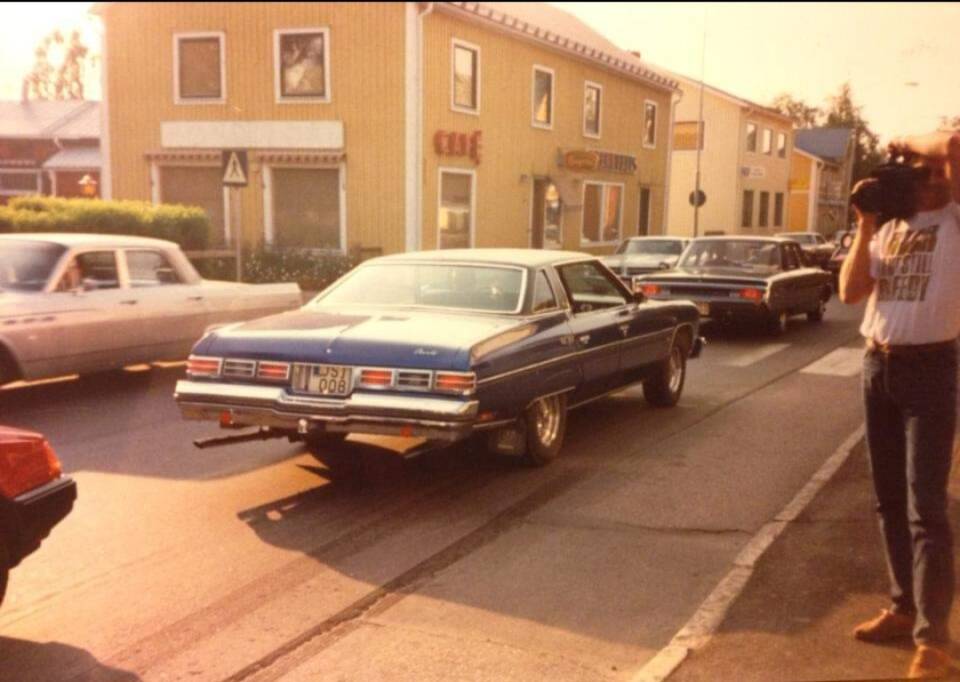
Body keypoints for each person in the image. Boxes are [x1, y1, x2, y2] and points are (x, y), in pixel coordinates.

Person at [839, 129, 960, 679]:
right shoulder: (888, 228)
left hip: (931, 369)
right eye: (917, 172)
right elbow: (850, 292)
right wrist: (866, 224)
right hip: (878, 365)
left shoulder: (954, 221)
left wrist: (907, 142)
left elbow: (953, 143)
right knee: (889, 500)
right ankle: (903, 607)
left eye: (932, 172)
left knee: (925, 506)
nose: (926, 179)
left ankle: (934, 639)